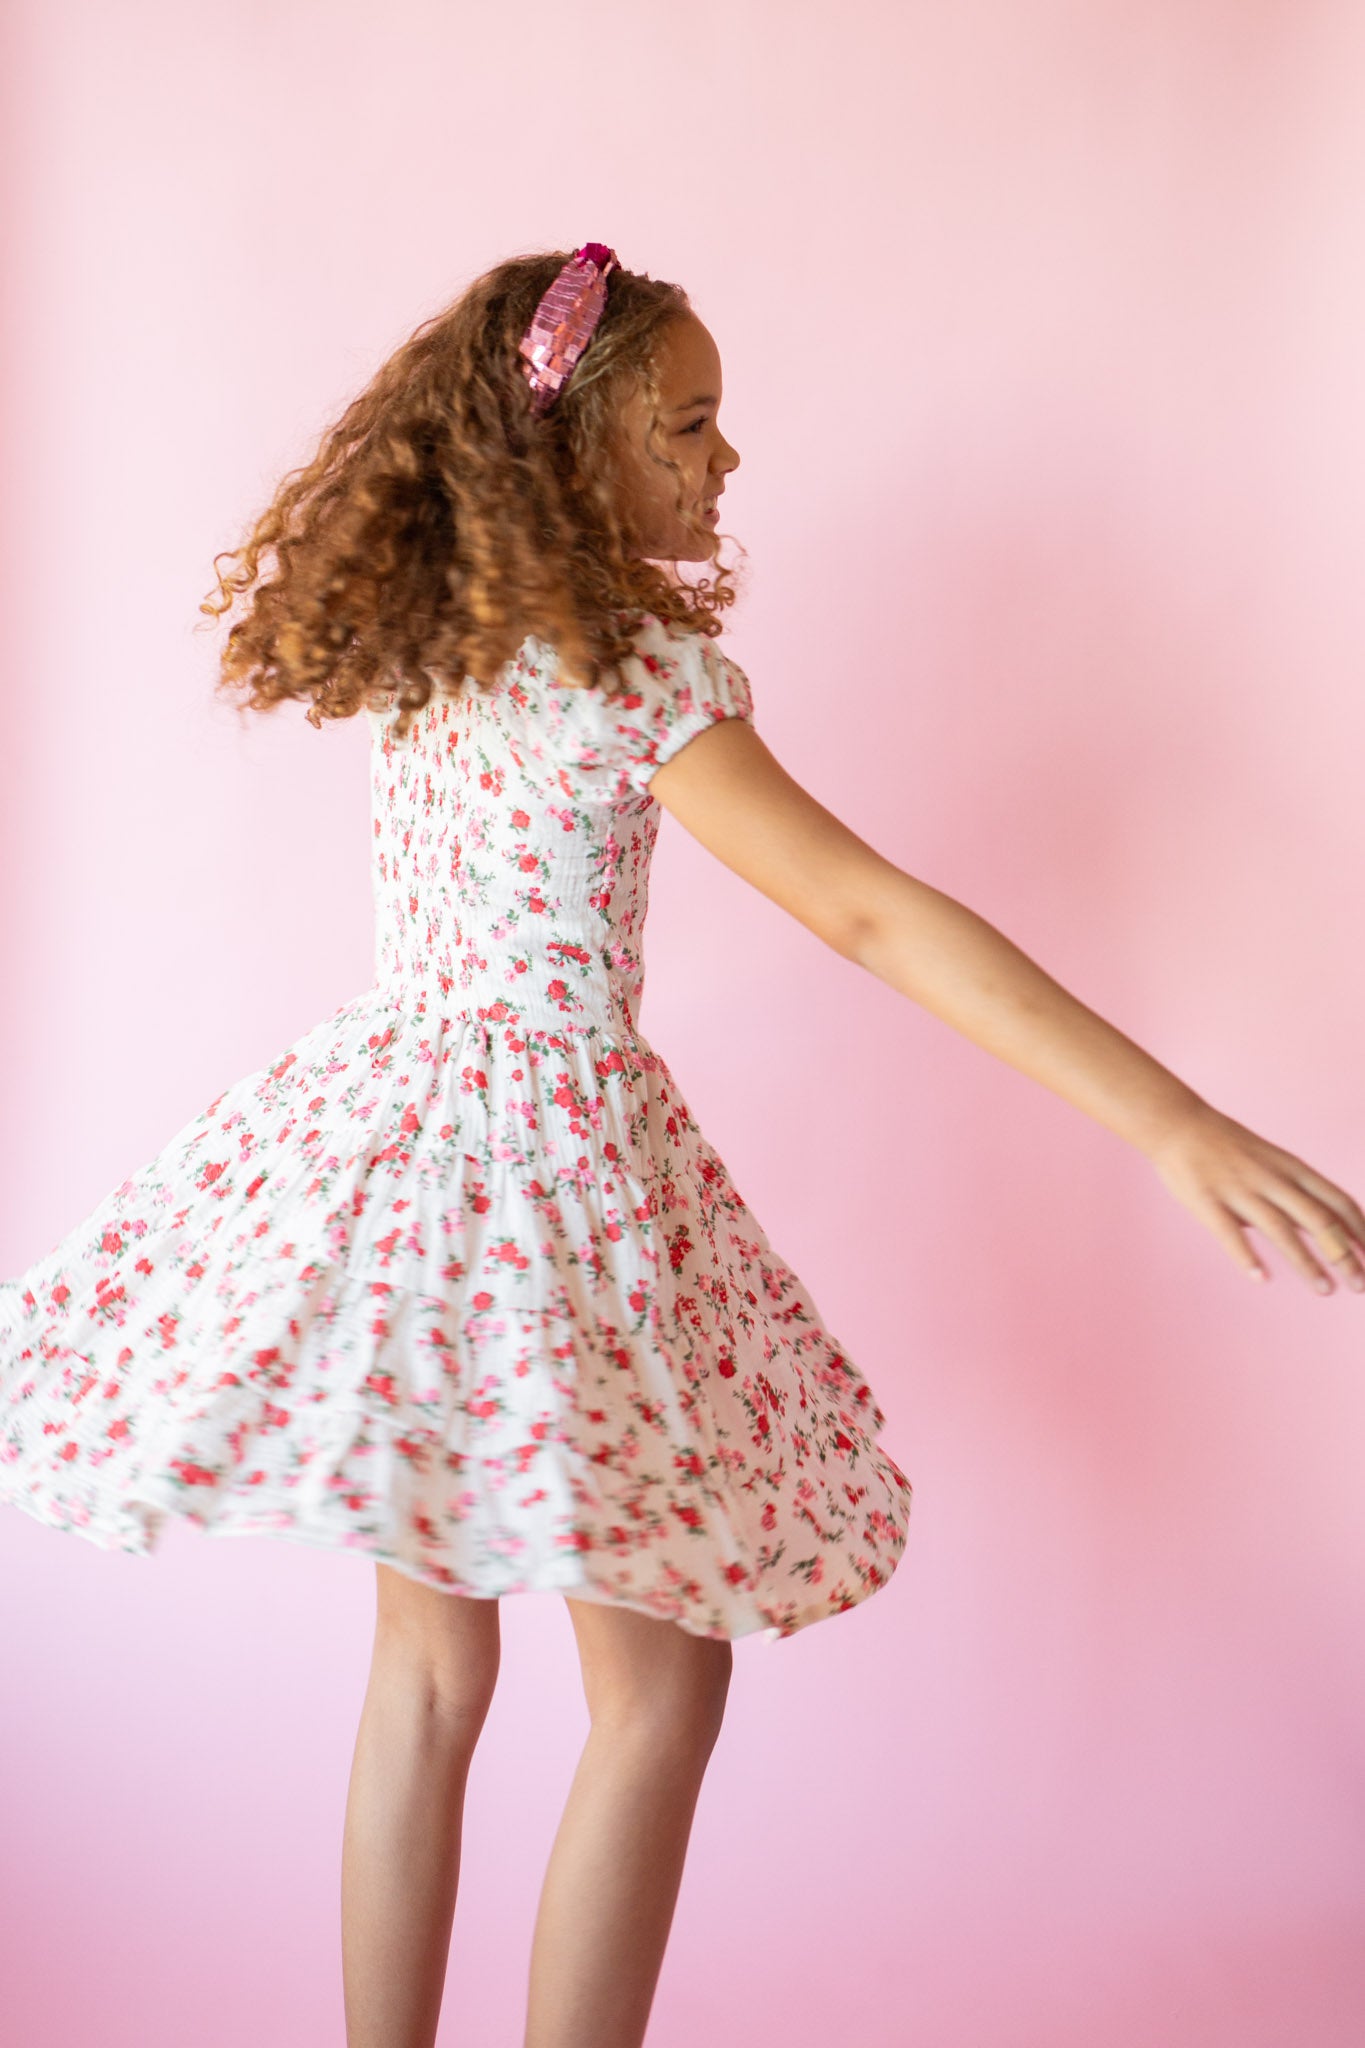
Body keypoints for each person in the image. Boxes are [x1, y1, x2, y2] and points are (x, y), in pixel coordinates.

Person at [2, 244, 1361, 2048]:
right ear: (574, 457)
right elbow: (868, 915)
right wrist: (1169, 1119)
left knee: (423, 1681)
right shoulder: (633, 670)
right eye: (690, 427)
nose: (726, 464)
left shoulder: (442, 643)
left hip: (400, 1156)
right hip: (546, 1180)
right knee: (655, 1696)